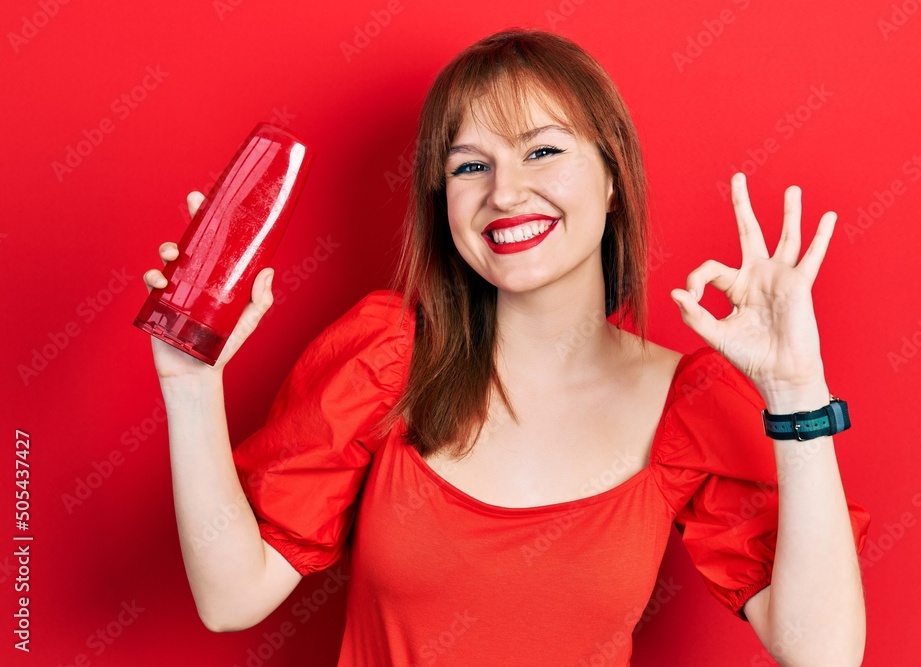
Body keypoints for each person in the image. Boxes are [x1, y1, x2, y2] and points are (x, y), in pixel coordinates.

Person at [144, 28, 871, 666]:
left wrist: (796, 391)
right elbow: (230, 595)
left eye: (542, 151)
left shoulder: (684, 404)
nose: (506, 192)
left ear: (613, 177)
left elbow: (822, 650)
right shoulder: (386, 359)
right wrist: (189, 385)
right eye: (470, 166)